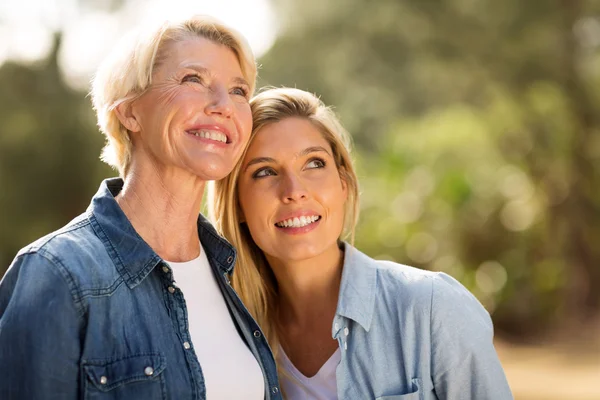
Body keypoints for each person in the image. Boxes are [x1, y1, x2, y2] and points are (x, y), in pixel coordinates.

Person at [0, 15, 281, 400]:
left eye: (238, 90)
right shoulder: (57, 272)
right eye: (192, 79)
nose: (223, 105)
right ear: (129, 112)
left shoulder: (236, 273)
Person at [208, 87, 513, 399]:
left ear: (343, 182)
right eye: (264, 171)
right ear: (238, 205)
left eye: (314, 163)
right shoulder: (231, 341)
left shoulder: (432, 308)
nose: (294, 190)